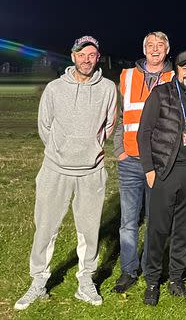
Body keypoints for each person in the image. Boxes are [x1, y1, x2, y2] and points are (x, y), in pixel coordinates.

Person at [15, 36, 117, 310]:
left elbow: (109, 126)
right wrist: (62, 151)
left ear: (98, 58)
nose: (87, 59)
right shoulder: (54, 88)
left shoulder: (108, 89)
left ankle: (85, 281)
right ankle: (38, 281)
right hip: (55, 171)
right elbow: (44, 126)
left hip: (91, 173)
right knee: (46, 228)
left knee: (89, 231)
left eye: (92, 54)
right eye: (82, 54)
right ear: (73, 56)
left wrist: (90, 149)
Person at [138, 50, 186, 306]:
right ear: (177, 71)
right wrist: (150, 169)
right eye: (185, 68)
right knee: (158, 229)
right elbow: (144, 132)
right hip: (165, 171)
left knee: (185, 230)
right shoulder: (161, 94)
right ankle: (152, 281)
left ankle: (175, 279)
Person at [111, 31, 174, 294]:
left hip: (159, 163)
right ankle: (128, 270)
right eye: (150, 45)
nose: (155, 49)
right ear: (144, 49)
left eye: (160, 45)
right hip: (130, 161)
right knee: (128, 221)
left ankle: (151, 271)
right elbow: (120, 116)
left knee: (155, 220)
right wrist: (119, 150)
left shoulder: (175, 77)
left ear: (167, 50)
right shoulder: (127, 76)